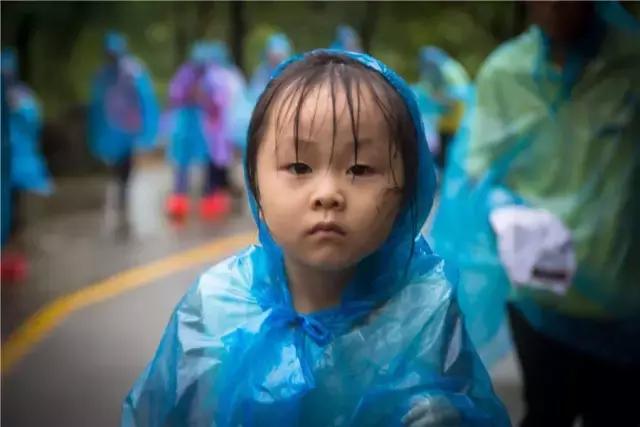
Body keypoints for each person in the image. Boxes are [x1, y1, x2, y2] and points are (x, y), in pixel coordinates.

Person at [122, 50, 509, 426]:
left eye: (359, 168)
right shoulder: (218, 305)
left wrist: (458, 415)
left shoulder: (424, 308)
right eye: (299, 166)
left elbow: (473, 402)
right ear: (255, 181)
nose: (328, 193)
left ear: (407, 190)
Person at [430, 2, 640, 426]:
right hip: (538, 299)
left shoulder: (631, 61)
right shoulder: (506, 73)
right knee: (547, 409)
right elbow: (475, 174)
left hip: (622, 301)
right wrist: (505, 212)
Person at [89, 31, 159, 217]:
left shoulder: (133, 72)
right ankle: (121, 194)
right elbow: (96, 104)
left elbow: (146, 100)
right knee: (116, 164)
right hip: (112, 129)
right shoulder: (103, 74)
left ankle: (123, 196)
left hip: (128, 127)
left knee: (124, 165)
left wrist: (148, 129)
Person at [1, 48, 52, 282]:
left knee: (15, 213)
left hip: (17, 164)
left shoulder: (21, 97)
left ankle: (12, 257)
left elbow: (33, 122)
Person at [165, 41, 232, 220]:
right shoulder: (185, 75)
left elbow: (218, 101)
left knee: (207, 163)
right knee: (181, 164)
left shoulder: (210, 77)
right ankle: (179, 202)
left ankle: (208, 200)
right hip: (186, 124)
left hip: (203, 126)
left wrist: (206, 100)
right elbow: (174, 96)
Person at [412, 46, 471, 168]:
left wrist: (435, 99)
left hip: (455, 125)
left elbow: (455, 99)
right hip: (449, 124)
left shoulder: (448, 70)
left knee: (448, 162)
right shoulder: (448, 68)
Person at [247, 33, 292, 102]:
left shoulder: (291, 71)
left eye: (279, 55)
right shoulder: (261, 72)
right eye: (273, 55)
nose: (275, 58)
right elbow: (254, 95)